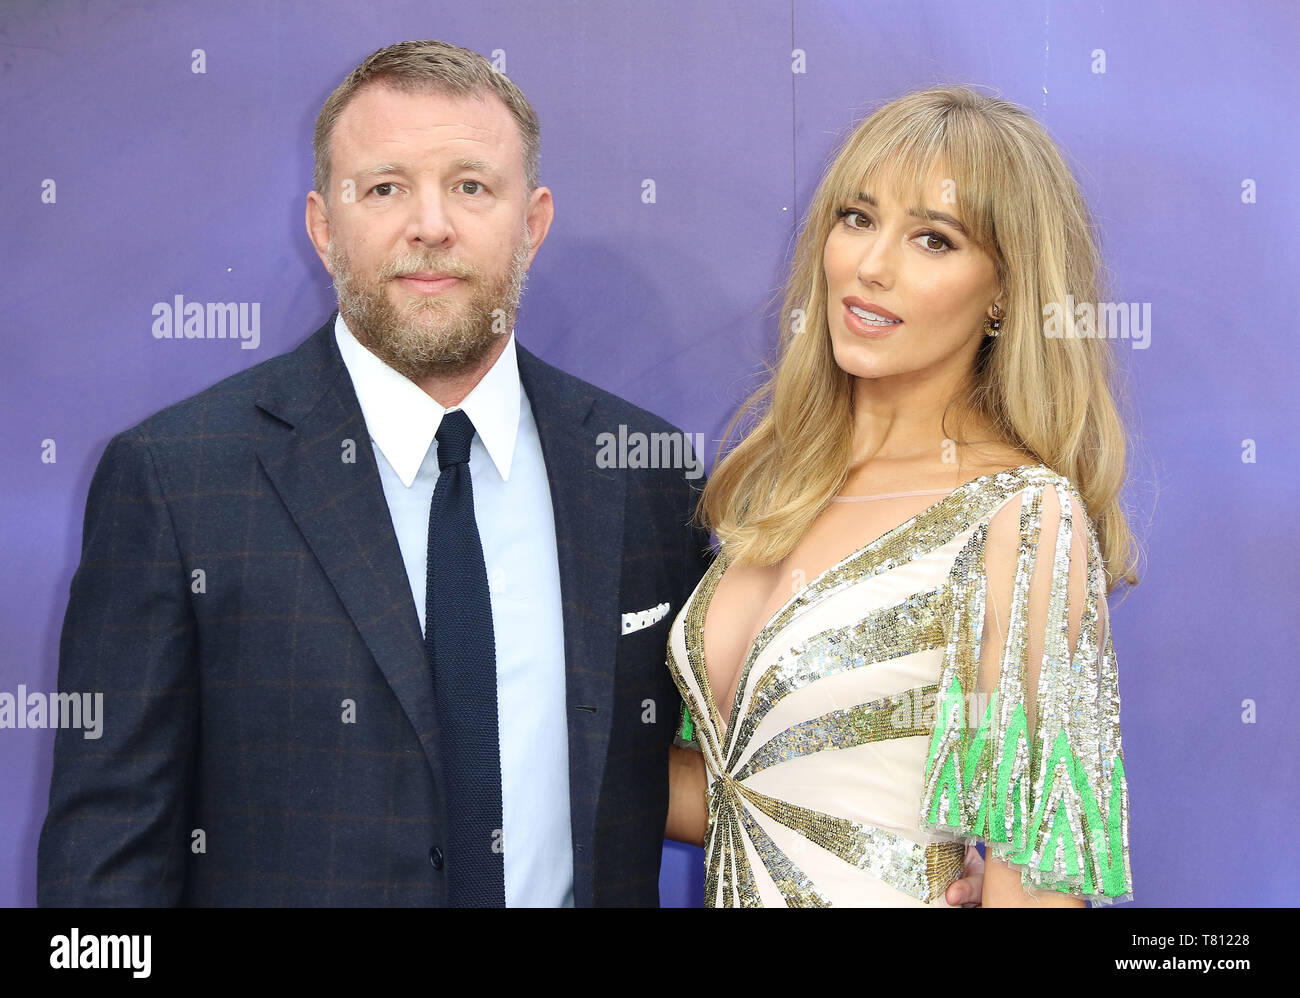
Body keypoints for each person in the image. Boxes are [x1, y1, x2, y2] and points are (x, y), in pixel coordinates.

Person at [36, 39, 717, 907]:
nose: (429, 224)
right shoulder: (177, 481)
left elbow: (743, 759)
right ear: (324, 226)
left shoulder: (644, 475)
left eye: (471, 186)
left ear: (533, 223)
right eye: (386, 187)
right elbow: (103, 870)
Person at [663, 85, 1136, 907]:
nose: (872, 266)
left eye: (932, 239)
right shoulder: (776, 485)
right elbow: (752, 796)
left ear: (1003, 292)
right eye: (857, 217)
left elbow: (1044, 883)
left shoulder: (1022, 519)